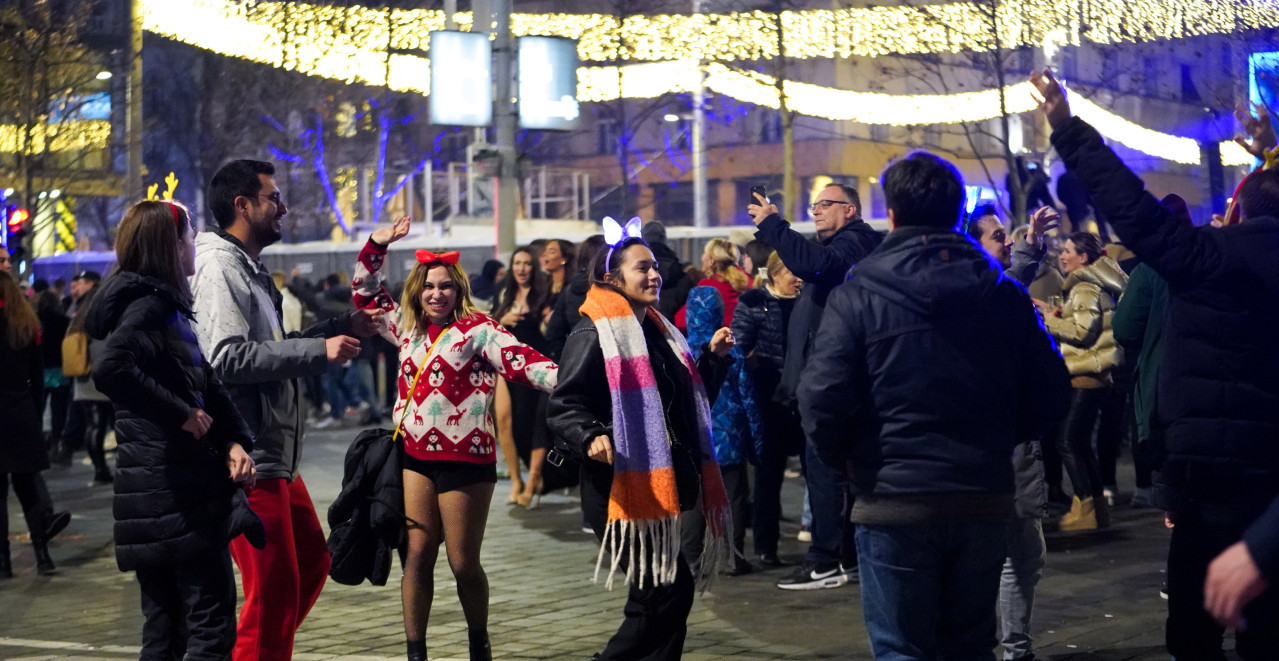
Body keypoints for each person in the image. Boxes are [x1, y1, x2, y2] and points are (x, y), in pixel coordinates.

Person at [1033, 69, 1279, 658]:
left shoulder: (1205, 258)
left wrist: (1069, 129)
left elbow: (1131, 207)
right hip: (1271, 482)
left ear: (1239, 213)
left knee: (1193, 635)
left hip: (1205, 479)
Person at [801, 151, 1071, 658]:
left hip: (891, 499)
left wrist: (853, 466)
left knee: (903, 646)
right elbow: (1051, 390)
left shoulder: (857, 296)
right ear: (955, 213)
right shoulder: (1002, 294)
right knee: (970, 644)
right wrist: (996, 442)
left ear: (892, 215)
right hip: (978, 493)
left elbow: (820, 400)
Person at [191, 159, 380, 661]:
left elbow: (275, 346)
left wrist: (342, 327)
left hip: (278, 454)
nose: (283, 208)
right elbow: (227, 358)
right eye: (273, 198)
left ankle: (254, 650)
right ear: (243, 205)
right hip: (249, 458)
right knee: (271, 593)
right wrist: (320, 352)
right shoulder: (219, 268)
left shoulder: (248, 268)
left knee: (313, 566)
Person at [353, 216, 557, 661]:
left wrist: (572, 383)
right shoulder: (403, 328)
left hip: (467, 460)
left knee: (463, 562)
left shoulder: (480, 330)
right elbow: (365, 292)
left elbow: (523, 362)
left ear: (458, 289)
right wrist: (376, 244)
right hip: (413, 458)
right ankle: (416, 652)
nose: (436, 294)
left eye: (445, 286)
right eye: (429, 286)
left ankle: (478, 643)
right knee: (418, 555)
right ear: (417, 291)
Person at [547, 228, 735, 661]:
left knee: (664, 597)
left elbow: (684, 402)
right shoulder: (593, 333)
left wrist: (711, 359)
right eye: (643, 268)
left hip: (656, 484)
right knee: (661, 597)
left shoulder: (656, 330)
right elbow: (563, 405)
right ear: (613, 279)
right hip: (618, 487)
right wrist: (590, 434)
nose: (655, 275)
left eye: (655, 267)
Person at [85, 200, 259, 661]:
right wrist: (180, 412)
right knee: (209, 625)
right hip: (176, 495)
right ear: (169, 245)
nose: (193, 246)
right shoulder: (149, 307)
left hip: (154, 495)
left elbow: (205, 382)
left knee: (165, 630)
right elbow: (110, 369)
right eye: (188, 237)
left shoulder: (162, 305)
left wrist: (234, 440)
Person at [749, 182, 882, 590]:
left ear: (852, 211)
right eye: (814, 205)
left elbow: (816, 264)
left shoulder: (855, 242)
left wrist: (773, 224)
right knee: (824, 472)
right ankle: (842, 556)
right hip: (818, 381)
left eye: (827, 204)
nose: (817, 211)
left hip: (833, 385)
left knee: (827, 473)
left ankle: (826, 559)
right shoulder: (835, 247)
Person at [969, 203, 1061, 661]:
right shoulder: (981, 292)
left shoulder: (990, 290)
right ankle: (1013, 651)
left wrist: (1029, 243)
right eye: (996, 236)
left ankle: (1009, 648)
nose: (1004, 242)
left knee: (1021, 555)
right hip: (998, 448)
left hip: (1006, 444)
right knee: (1016, 557)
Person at [1037, 231, 1127, 531]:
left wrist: (1049, 320)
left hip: (1086, 376)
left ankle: (1085, 506)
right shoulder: (1086, 286)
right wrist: (1056, 311)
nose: (1062, 255)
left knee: (1067, 441)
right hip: (1094, 375)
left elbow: (1082, 332)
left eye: (1068, 251)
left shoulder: (1085, 287)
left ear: (1083, 258)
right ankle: (1095, 507)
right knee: (1080, 443)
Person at [730, 251, 802, 567]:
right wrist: (754, 366)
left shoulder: (809, 301)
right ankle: (765, 547)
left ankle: (825, 549)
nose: (798, 278)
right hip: (768, 399)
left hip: (803, 399)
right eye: (792, 272)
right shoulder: (753, 302)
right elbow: (739, 348)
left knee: (816, 475)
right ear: (774, 273)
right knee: (768, 477)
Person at [0, 270, 72, 577]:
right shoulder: (27, 326)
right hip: (22, 412)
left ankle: (4, 563)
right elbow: (39, 379)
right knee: (27, 486)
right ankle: (43, 555)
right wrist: (34, 410)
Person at [490, 246, 553, 508]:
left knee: (531, 423)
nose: (522, 268)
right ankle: (516, 480)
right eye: (517, 263)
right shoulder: (504, 294)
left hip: (534, 365)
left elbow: (550, 329)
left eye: (527, 263)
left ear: (533, 267)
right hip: (505, 365)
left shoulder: (543, 294)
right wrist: (502, 319)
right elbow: (491, 326)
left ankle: (533, 479)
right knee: (503, 420)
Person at [59, 285, 116, 483]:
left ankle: (99, 469)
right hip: (102, 381)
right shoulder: (104, 321)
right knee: (109, 427)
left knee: (93, 428)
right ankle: (104, 470)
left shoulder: (77, 321)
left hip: (82, 382)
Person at [545, 234, 607, 359]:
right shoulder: (611, 288)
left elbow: (554, 334)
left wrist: (568, 363)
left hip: (578, 362)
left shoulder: (569, 289)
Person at [675, 238, 749, 329]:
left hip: (718, 340)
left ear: (712, 260)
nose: (702, 257)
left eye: (704, 253)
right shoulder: (747, 282)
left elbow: (681, 321)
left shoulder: (707, 287)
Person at [34, 290, 71, 454]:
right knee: (59, 408)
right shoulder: (64, 322)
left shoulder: (33, 320)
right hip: (59, 369)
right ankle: (56, 439)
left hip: (40, 370)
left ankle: (38, 440)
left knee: (38, 407)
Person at [641, 220, 694, 319]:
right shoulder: (681, 275)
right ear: (663, 238)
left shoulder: (635, 274)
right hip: (674, 330)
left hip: (644, 326)